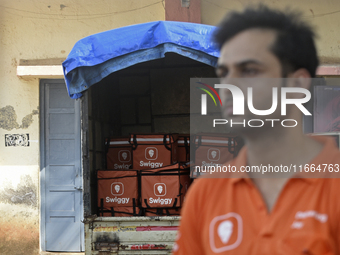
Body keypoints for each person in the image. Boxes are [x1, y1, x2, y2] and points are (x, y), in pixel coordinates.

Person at [173, 5, 340, 255]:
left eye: (249, 70)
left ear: (297, 84)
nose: (229, 85)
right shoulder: (206, 192)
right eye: (224, 72)